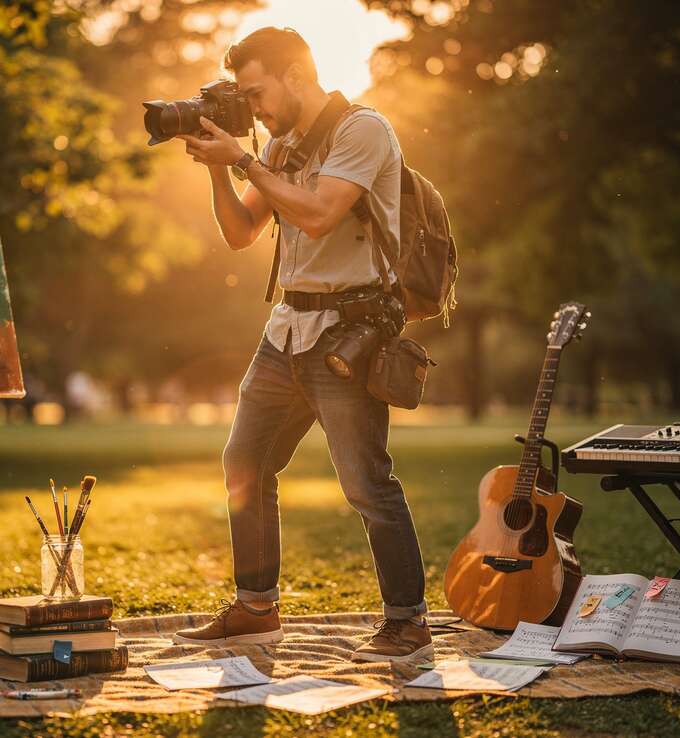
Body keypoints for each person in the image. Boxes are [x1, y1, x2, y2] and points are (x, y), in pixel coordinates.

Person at [170, 27, 431, 662]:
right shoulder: (280, 145)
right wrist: (217, 166)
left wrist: (243, 161)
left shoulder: (362, 130)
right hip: (286, 329)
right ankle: (256, 608)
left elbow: (318, 214)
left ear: (295, 75)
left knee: (365, 482)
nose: (252, 107)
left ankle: (407, 621)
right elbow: (240, 232)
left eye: (257, 91)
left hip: (348, 331)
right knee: (245, 463)